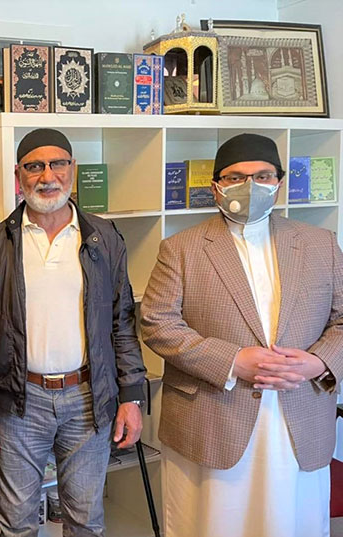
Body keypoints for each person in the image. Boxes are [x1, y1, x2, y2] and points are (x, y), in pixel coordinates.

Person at [140, 133, 341, 537]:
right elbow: (156, 323)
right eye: (235, 177)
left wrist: (319, 361)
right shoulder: (181, 248)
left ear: (278, 183)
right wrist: (231, 361)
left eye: (262, 176)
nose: (250, 186)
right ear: (216, 186)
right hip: (213, 417)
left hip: (298, 413)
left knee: (293, 521)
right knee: (212, 522)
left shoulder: (320, 244)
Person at [0, 128, 147, 537]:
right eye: (35, 166)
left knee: (85, 521)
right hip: (18, 403)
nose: (48, 176)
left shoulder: (103, 238)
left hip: (88, 399)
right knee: (16, 524)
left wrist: (132, 396)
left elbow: (121, 322)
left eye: (58, 164)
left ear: (72, 169)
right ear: (19, 175)